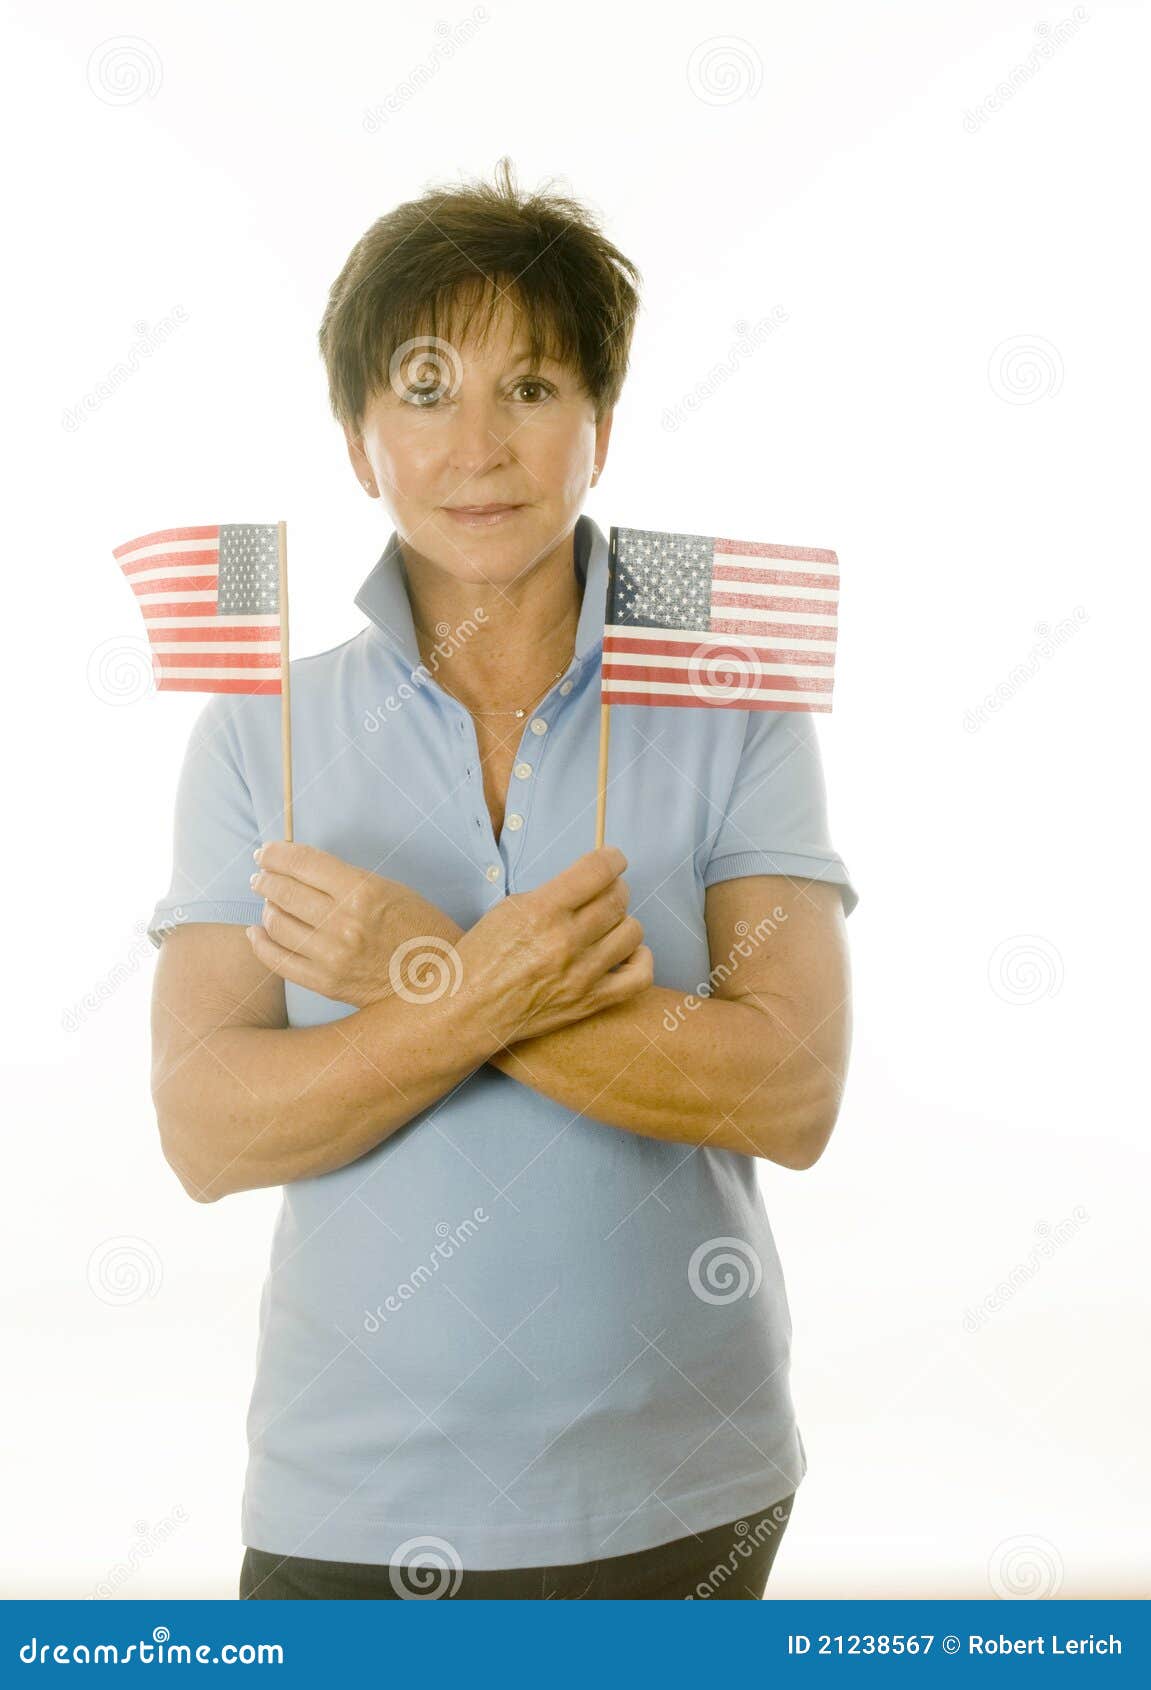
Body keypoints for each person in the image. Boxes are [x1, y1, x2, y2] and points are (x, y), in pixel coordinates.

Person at [147, 157, 857, 1601]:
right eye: (425, 390)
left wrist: (415, 974)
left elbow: (791, 1094)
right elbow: (206, 1131)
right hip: (350, 1508)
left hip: (685, 1492)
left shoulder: (733, 703)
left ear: (600, 426)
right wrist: (476, 985)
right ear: (361, 443)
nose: (479, 446)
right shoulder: (258, 733)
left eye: (531, 388)